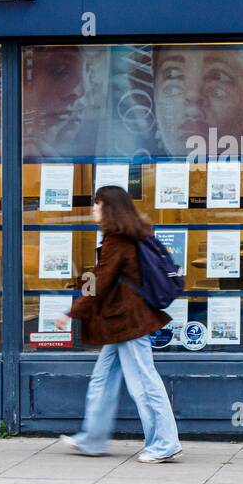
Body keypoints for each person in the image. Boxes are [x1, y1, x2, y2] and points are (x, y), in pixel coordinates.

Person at [56, 185, 183, 463]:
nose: (93, 209)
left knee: (144, 382)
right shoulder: (131, 236)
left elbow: (99, 282)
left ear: (108, 208)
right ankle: (93, 439)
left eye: (97, 203)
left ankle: (165, 443)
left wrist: (71, 312)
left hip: (129, 323)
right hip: (120, 322)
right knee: (103, 379)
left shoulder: (119, 241)